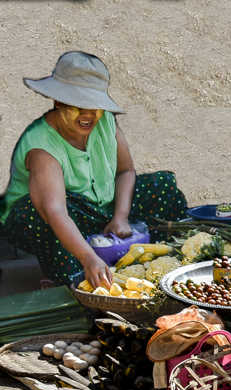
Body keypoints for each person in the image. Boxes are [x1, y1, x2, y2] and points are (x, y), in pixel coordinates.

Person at [1, 52, 188, 288]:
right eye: (78, 106)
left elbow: (125, 171)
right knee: (43, 214)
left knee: (162, 185)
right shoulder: (41, 146)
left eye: (94, 106)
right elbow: (55, 210)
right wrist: (89, 257)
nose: (88, 115)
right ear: (58, 102)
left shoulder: (106, 122)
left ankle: (164, 262)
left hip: (99, 209)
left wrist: (121, 216)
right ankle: (73, 272)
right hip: (52, 216)